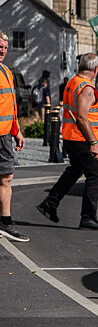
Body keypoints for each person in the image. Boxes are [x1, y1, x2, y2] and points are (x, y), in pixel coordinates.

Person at [37, 53, 98, 230]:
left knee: (75, 170)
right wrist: (93, 142)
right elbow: (82, 118)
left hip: (70, 136)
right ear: (95, 69)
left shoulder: (73, 82)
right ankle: (88, 217)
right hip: (83, 138)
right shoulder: (87, 88)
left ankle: (50, 203)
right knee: (95, 175)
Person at [0, 30, 28, 242]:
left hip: (4, 135)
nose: (2, 50)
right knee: (5, 178)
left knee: (6, 177)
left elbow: (11, 106)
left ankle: (5, 220)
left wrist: (16, 130)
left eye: (5, 47)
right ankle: (5, 221)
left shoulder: (6, 71)